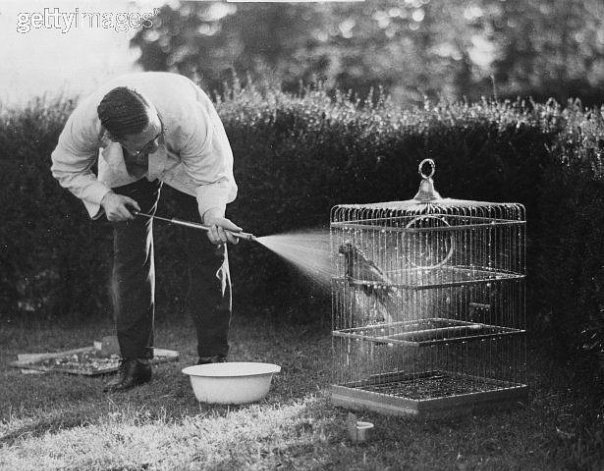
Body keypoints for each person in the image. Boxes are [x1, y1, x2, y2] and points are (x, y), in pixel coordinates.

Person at [51, 72, 241, 392]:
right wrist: (105, 197)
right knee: (130, 257)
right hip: (125, 172)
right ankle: (135, 363)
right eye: (145, 144)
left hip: (189, 162)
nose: (155, 146)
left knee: (208, 247)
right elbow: (64, 166)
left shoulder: (187, 118)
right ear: (113, 138)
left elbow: (211, 177)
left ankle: (213, 358)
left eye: (156, 136)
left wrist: (213, 216)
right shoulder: (86, 123)